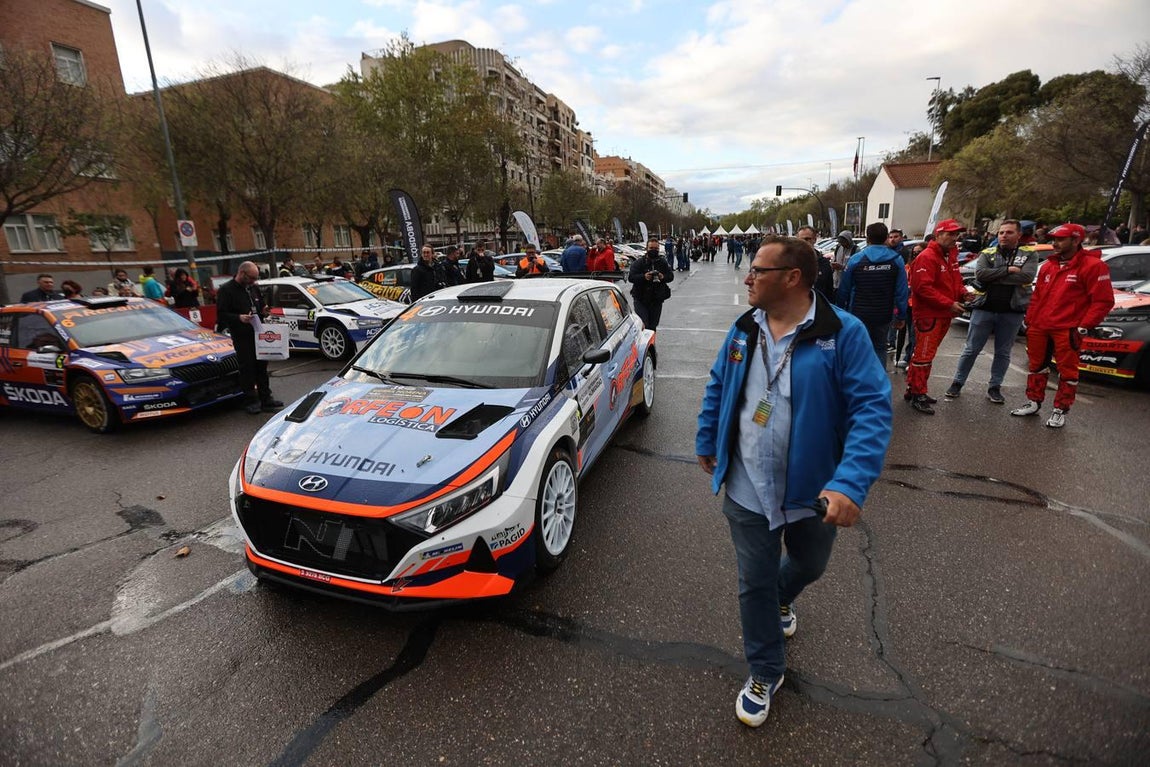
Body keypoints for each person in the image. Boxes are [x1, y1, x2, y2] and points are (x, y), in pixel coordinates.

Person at [695, 234, 891, 729]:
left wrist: (849, 483)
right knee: (753, 584)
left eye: (757, 270)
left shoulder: (842, 333)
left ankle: (784, 596)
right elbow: (720, 384)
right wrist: (706, 439)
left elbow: (872, 408)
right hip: (745, 487)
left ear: (793, 278)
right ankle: (765, 669)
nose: (747, 275)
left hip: (812, 492)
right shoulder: (744, 329)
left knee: (809, 563)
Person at [1010, 223, 1114, 428]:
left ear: (1076, 240)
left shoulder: (1093, 266)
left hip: (1067, 328)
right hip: (1040, 326)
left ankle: (1061, 409)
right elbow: (1037, 296)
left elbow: (1103, 301)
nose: (1054, 243)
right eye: (1053, 239)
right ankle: (1034, 401)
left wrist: (1084, 326)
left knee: (1067, 371)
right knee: (1036, 366)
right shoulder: (1049, 265)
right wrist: (1030, 320)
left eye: (1060, 239)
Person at [944, 220, 1038, 404]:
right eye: (1001, 232)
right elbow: (981, 274)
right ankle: (957, 382)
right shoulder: (988, 252)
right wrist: (1009, 270)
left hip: (1012, 311)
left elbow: (1027, 276)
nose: (1004, 235)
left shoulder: (1029, 254)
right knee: (971, 349)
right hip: (984, 309)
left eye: (1009, 232)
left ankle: (995, 387)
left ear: (1018, 235)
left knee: (1003, 353)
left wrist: (996, 275)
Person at [905, 219, 967, 414]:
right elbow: (922, 288)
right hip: (929, 315)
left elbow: (956, 281)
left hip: (943, 314)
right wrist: (949, 303)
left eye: (956, 234)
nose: (954, 238)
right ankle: (917, 393)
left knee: (926, 356)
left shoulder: (950, 256)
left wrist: (964, 293)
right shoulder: (927, 257)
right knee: (923, 356)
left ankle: (914, 389)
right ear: (938, 234)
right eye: (950, 234)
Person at [215, 261, 283, 415]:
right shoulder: (226, 290)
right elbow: (221, 315)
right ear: (242, 274)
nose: (253, 281)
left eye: (255, 279)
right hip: (242, 335)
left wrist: (264, 310)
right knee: (247, 368)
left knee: (262, 367)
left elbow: (259, 306)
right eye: (251, 278)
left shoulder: (253, 287)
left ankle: (266, 398)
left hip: (259, 333)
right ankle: (251, 400)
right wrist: (239, 317)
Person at [836, 222, 908, 364]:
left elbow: (844, 289)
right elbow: (902, 291)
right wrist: (901, 315)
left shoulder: (856, 260)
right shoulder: (896, 260)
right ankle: (878, 382)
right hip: (883, 314)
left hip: (859, 313)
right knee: (880, 348)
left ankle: (859, 381)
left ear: (867, 239)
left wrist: (841, 312)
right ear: (886, 238)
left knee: (859, 348)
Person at [627, 238, 674, 330]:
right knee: (644, 325)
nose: (653, 250)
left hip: (656, 300)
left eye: (656, 249)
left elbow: (670, 276)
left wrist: (662, 277)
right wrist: (644, 277)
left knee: (653, 326)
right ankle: (643, 343)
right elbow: (631, 277)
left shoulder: (662, 262)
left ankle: (651, 344)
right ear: (646, 248)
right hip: (641, 299)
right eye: (651, 248)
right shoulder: (639, 263)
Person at [796, 227, 833, 299]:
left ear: (814, 240)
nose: (804, 242)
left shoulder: (824, 263)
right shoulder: (789, 262)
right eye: (801, 240)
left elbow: (829, 290)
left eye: (807, 239)